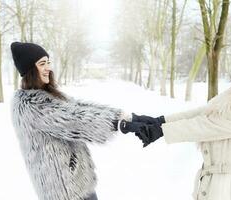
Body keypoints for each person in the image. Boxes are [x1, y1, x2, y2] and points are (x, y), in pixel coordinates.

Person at [123, 52, 231, 200]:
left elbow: (204, 126)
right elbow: (201, 113)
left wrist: (160, 131)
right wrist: (159, 121)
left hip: (229, 189)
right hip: (217, 182)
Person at [10, 42, 143, 200]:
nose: (48, 68)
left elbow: (78, 107)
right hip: (64, 191)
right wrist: (116, 124)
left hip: (77, 184)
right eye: (42, 64)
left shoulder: (47, 94)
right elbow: (73, 119)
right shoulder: (30, 105)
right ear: (30, 69)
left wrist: (122, 116)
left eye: (48, 62)